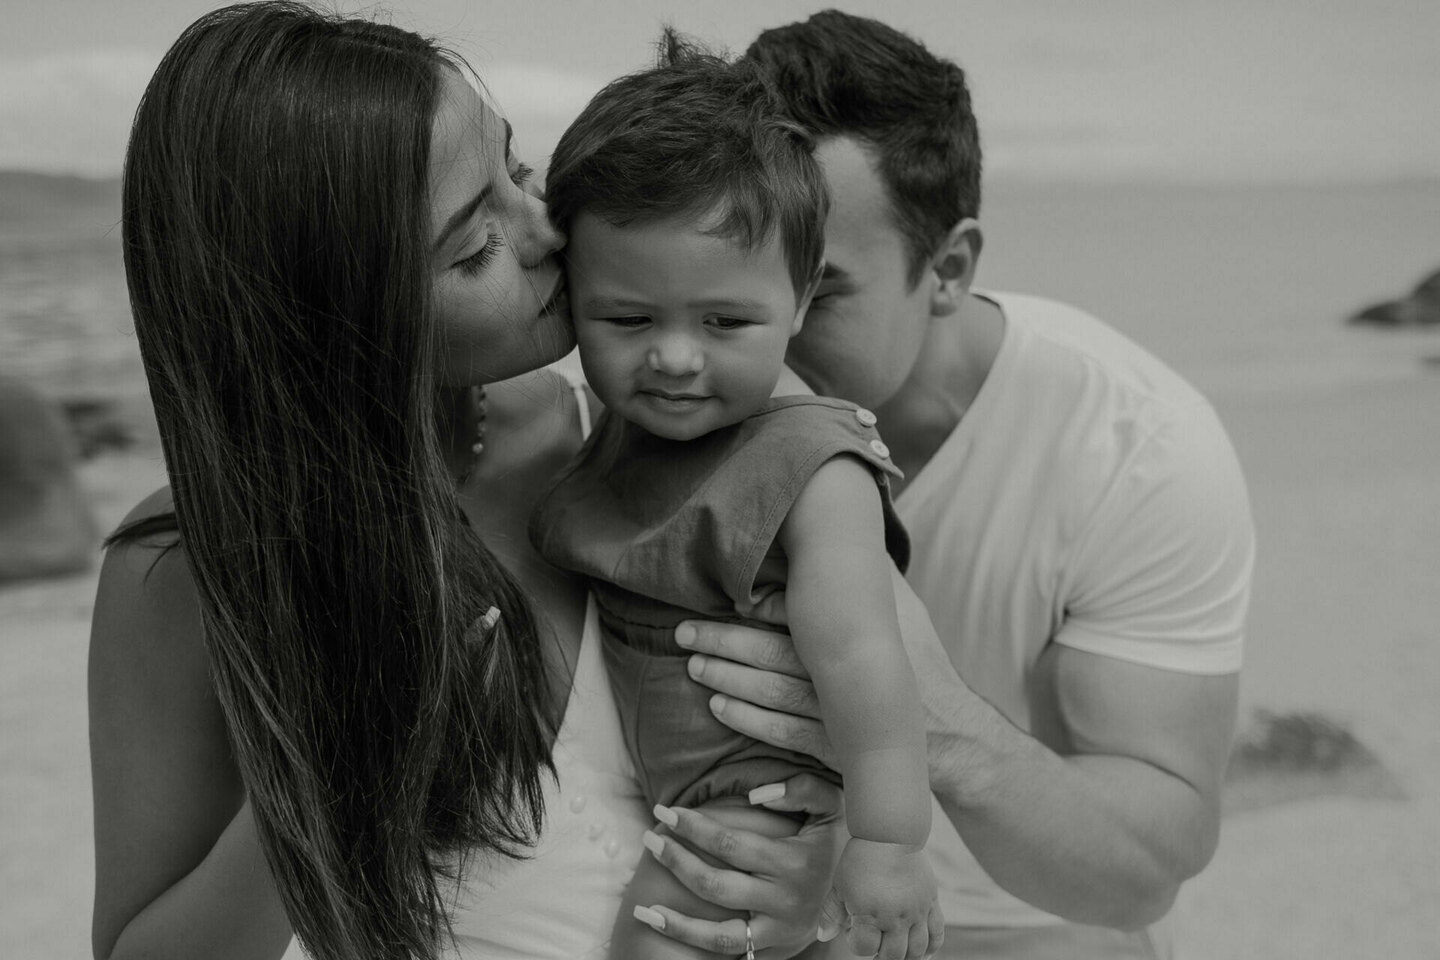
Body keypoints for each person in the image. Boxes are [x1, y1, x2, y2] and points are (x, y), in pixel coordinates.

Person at [87, 5, 844, 960]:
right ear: (335, 320)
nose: (546, 230)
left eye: (517, 171)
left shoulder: (656, 431)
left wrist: (812, 852)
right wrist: (343, 753)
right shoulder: (185, 572)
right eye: (475, 247)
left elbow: (852, 750)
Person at [674, 11, 1255, 959]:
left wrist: (922, 722)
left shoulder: (1137, 450)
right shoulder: (674, 386)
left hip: (1015, 927)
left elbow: (1143, 870)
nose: (760, 339)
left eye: (817, 291)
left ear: (947, 268)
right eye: (738, 281)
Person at [532, 44, 940, 960]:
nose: (675, 358)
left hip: (752, 798)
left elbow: (867, 666)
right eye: (627, 320)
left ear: (800, 302)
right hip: (657, 780)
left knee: (656, 941)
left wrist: (888, 846)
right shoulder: (618, 426)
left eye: (725, 323)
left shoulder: (814, 467)